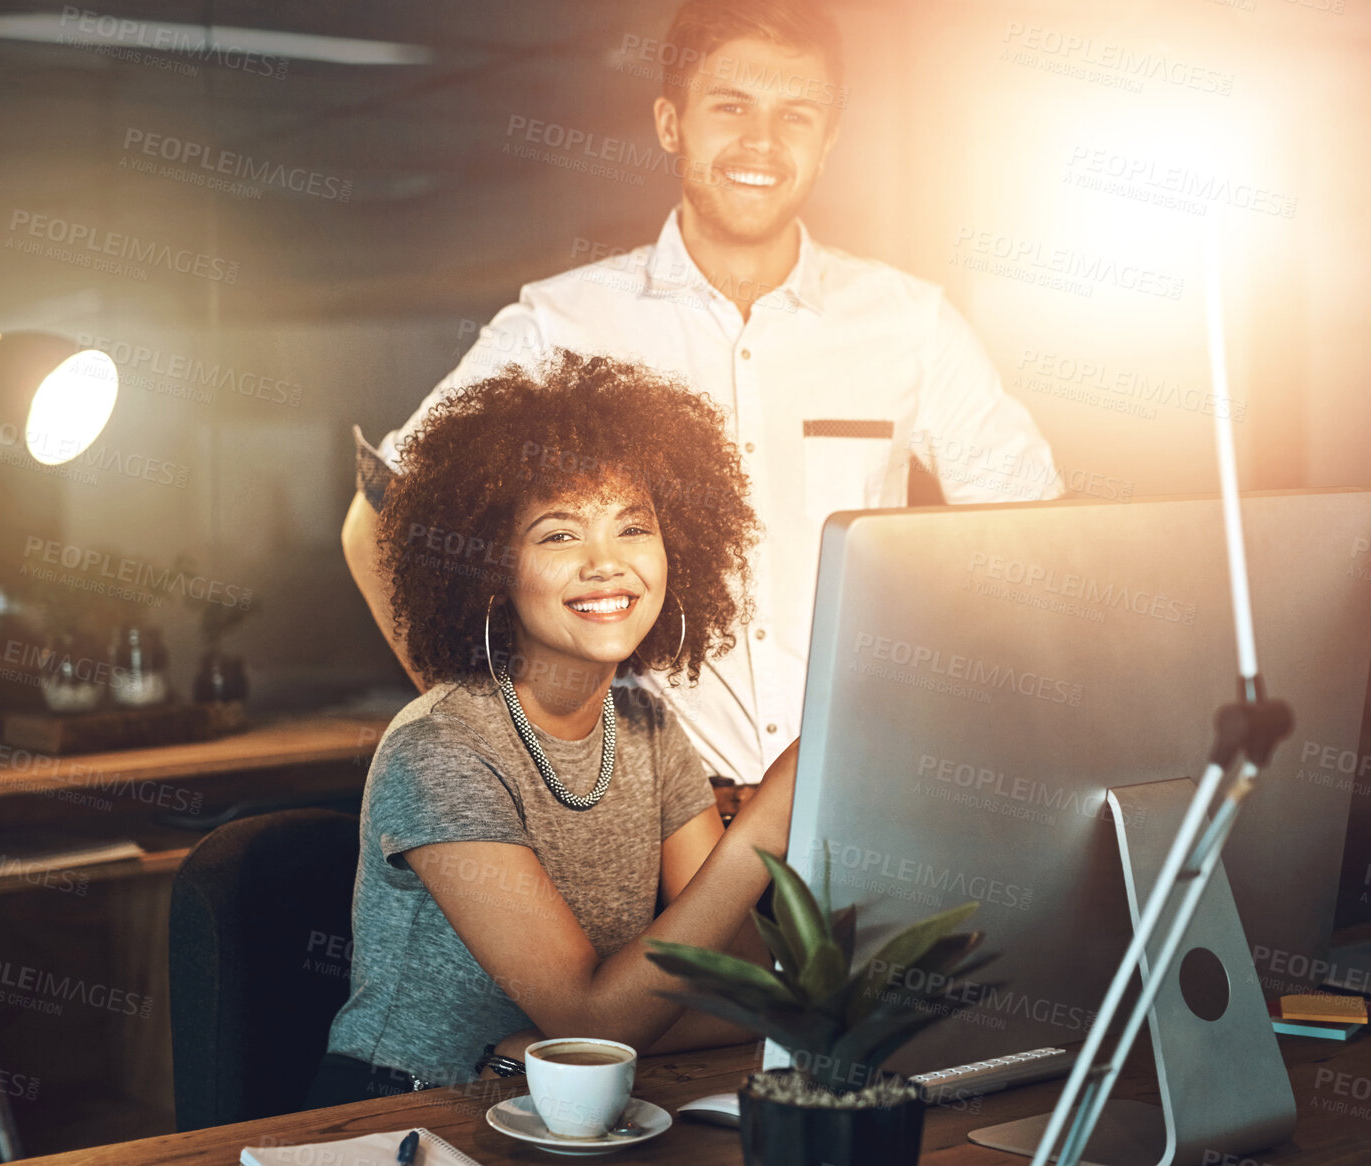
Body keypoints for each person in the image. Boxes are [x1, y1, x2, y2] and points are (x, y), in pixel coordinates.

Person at [343, 0, 1061, 801]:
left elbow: (1036, 542)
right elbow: (381, 514)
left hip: (856, 797)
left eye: (796, 114)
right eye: (729, 107)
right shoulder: (563, 320)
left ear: (828, 140)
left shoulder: (910, 323)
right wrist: (502, 742)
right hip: (643, 814)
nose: (761, 142)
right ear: (669, 122)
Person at [306, 352, 796, 1107]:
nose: (607, 564)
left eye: (633, 527)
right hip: (409, 1112)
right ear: (491, 568)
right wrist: (766, 826)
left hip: (557, 1098)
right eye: (559, 536)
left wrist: (557, 1049)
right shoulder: (440, 750)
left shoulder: (643, 723)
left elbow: (747, 987)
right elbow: (590, 1018)